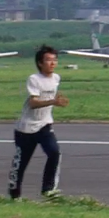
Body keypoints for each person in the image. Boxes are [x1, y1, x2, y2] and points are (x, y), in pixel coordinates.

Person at [10, 45, 68, 199]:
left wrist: (56, 101)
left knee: (54, 152)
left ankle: (48, 189)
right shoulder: (34, 79)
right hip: (26, 128)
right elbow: (33, 103)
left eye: (55, 60)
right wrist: (53, 101)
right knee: (21, 163)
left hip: (44, 124)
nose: (53, 63)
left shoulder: (56, 78)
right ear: (40, 63)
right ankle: (14, 194)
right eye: (48, 60)